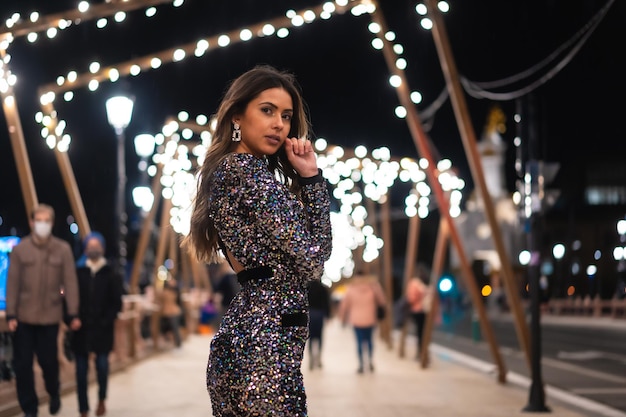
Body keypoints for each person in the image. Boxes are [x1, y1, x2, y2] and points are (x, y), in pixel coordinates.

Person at [183, 65, 332, 416]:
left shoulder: (229, 172)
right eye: (267, 110)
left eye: (286, 115)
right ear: (237, 116)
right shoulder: (246, 173)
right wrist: (311, 179)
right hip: (263, 349)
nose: (279, 124)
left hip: (249, 334)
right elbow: (315, 257)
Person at [6, 204, 81, 417]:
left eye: (47, 220)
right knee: (22, 366)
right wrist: (11, 313)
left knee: (49, 363)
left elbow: (70, 283)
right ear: (31, 222)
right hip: (24, 317)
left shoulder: (62, 249)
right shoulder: (21, 250)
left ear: (52, 223)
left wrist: (73, 312)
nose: (42, 224)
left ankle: (53, 391)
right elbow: (13, 284)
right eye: (39, 220)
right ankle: (29, 407)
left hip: (50, 316)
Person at [70, 232, 123, 417]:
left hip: (102, 329)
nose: (93, 249)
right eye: (89, 245)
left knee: (102, 368)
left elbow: (116, 302)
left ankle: (101, 399)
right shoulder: (77, 271)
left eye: (96, 245)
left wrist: (106, 320)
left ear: (102, 248)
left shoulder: (110, 272)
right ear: (85, 248)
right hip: (81, 329)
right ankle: (83, 409)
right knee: (81, 372)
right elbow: (70, 298)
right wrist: (71, 318)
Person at [339, 271, 386, 373]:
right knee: (369, 341)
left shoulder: (350, 289)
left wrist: (342, 319)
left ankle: (361, 365)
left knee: (359, 342)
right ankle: (370, 361)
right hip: (370, 318)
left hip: (356, 320)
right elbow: (382, 301)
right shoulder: (373, 287)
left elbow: (344, 306)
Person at [307, 279, 331, 370]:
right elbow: (326, 303)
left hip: (310, 314)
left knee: (310, 337)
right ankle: (319, 357)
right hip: (320, 314)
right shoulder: (323, 288)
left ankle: (311, 358)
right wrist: (328, 315)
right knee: (319, 337)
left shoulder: (307, 288)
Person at [406, 275, 430, 359]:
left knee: (419, 333)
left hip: (417, 310)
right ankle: (424, 353)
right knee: (424, 333)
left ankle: (420, 353)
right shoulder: (427, 285)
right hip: (426, 310)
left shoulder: (414, 283)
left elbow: (411, 298)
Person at [159, 277, 183, 348]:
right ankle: (175, 342)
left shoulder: (174, 292)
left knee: (175, 328)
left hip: (173, 312)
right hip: (169, 312)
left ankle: (177, 343)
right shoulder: (167, 292)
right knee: (171, 328)